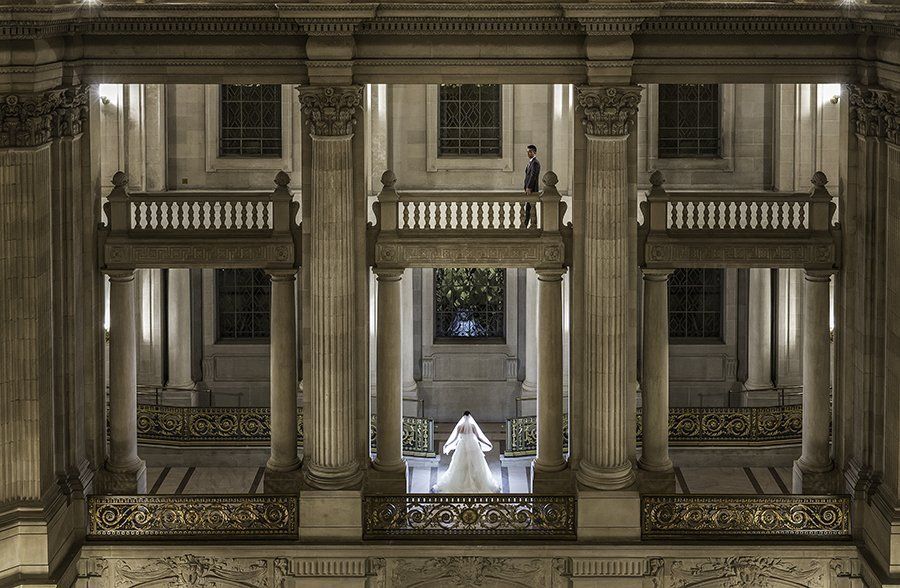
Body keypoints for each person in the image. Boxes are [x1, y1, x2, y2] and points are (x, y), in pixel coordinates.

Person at [432, 411, 500, 493]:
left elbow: (455, 438)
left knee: (460, 464)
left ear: (463, 417)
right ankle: (477, 482)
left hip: (462, 446)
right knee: (475, 464)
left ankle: (461, 482)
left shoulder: (460, 427)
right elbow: (478, 438)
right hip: (473, 446)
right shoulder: (473, 426)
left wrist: (448, 444)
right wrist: (487, 443)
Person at [523, 144, 541, 228]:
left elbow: (533, 176)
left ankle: (528, 224)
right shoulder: (530, 162)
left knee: (530, 207)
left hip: (532, 189)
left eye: (530, 152)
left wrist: (529, 187)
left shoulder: (535, 163)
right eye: (527, 152)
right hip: (528, 189)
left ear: (535, 152)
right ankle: (529, 224)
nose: (528, 153)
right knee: (530, 207)